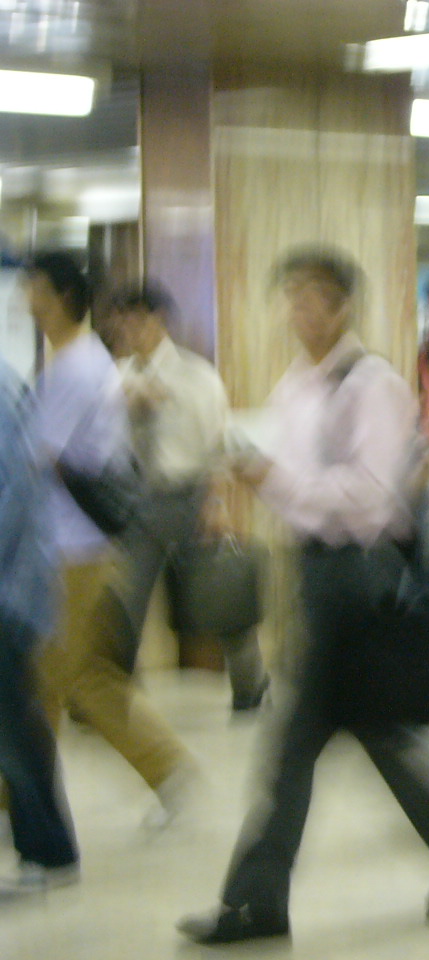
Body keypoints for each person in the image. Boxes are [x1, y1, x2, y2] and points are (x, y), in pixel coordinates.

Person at [178, 247, 429, 945]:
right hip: (313, 571)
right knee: (379, 729)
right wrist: (250, 478)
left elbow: (371, 497)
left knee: (291, 743)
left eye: (312, 297)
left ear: (342, 305)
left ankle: (256, 901)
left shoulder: (373, 386)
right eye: (292, 298)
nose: (300, 311)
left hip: (359, 577)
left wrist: (274, 480)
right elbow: (288, 475)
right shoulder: (296, 386)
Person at [26, 252, 202, 830]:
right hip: (72, 548)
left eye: (35, 290)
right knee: (48, 678)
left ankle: (168, 766)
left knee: (81, 678)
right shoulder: (84, 363)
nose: (26, 301)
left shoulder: (74, 369)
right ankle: (19, 796)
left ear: (60, 298)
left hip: (74, 552)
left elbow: (38, 457)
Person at [108, 283, 266, 713]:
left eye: (135, 320)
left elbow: (218, 446)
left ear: (159, 320)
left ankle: (251, 684)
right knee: (125, 602)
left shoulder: (197, 376)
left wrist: (216, 505)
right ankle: (113, 693)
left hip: (190, 497)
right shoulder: (116, 376)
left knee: (219, 592)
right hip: (138, 502)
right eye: (121, 322)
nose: (127, 330)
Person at [0, 357, 78, 895]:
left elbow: (15, 494)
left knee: (12, 724)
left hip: (10, 588)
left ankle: (48, 852)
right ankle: (45, 847)